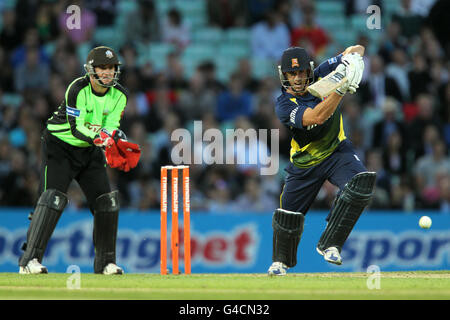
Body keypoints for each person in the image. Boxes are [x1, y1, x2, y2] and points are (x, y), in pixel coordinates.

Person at [19, 46, 130, 275]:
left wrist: (112, 138)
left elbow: (110, 126)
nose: (108, 72)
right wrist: (102, 139)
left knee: (106, 202)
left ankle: (105, 263)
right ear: (91, 70)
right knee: (52, 199)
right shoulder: (78, 88)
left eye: (112, 68)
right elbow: (76, 128)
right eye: (103, 67)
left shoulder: (120, 95)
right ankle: (29, 260)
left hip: (89, 150)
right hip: (60, 146)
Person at [268, 46, 376, 276]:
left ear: (309, 70)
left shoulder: (321, 75)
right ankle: (280, 262)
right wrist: (342, 87)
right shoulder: (284, 104)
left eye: (301, 73)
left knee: (360, 184)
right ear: (284, 76)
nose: (297, 79)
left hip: (337, 151)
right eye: (291, 74)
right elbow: (317, 116)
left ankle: (331, 243)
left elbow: (356, 49)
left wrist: (351, 61)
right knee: (288, 217)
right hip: (305, 163)